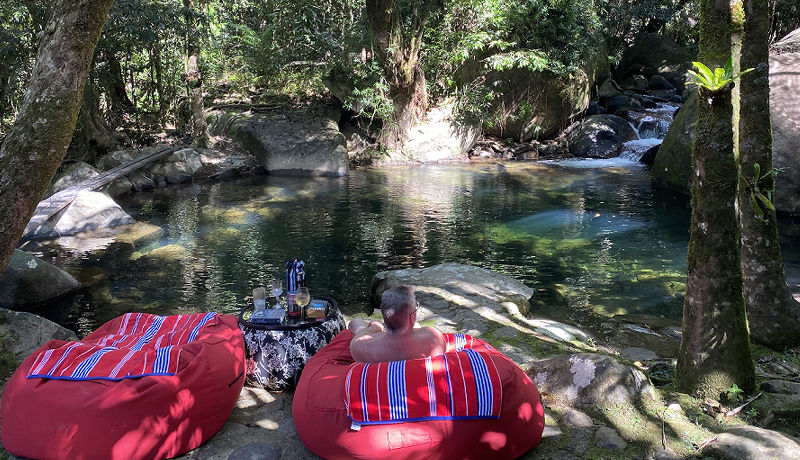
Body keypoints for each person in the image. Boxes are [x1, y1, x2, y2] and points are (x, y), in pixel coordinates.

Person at [348, 285, 446, 363]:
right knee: (416, 326)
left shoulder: (359, 346)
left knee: (356, 322)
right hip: (409, 337)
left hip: (379, 341)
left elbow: (353, 330)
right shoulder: (434, 338)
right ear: (412, 317)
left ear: (383, 314)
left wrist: (375, 326)